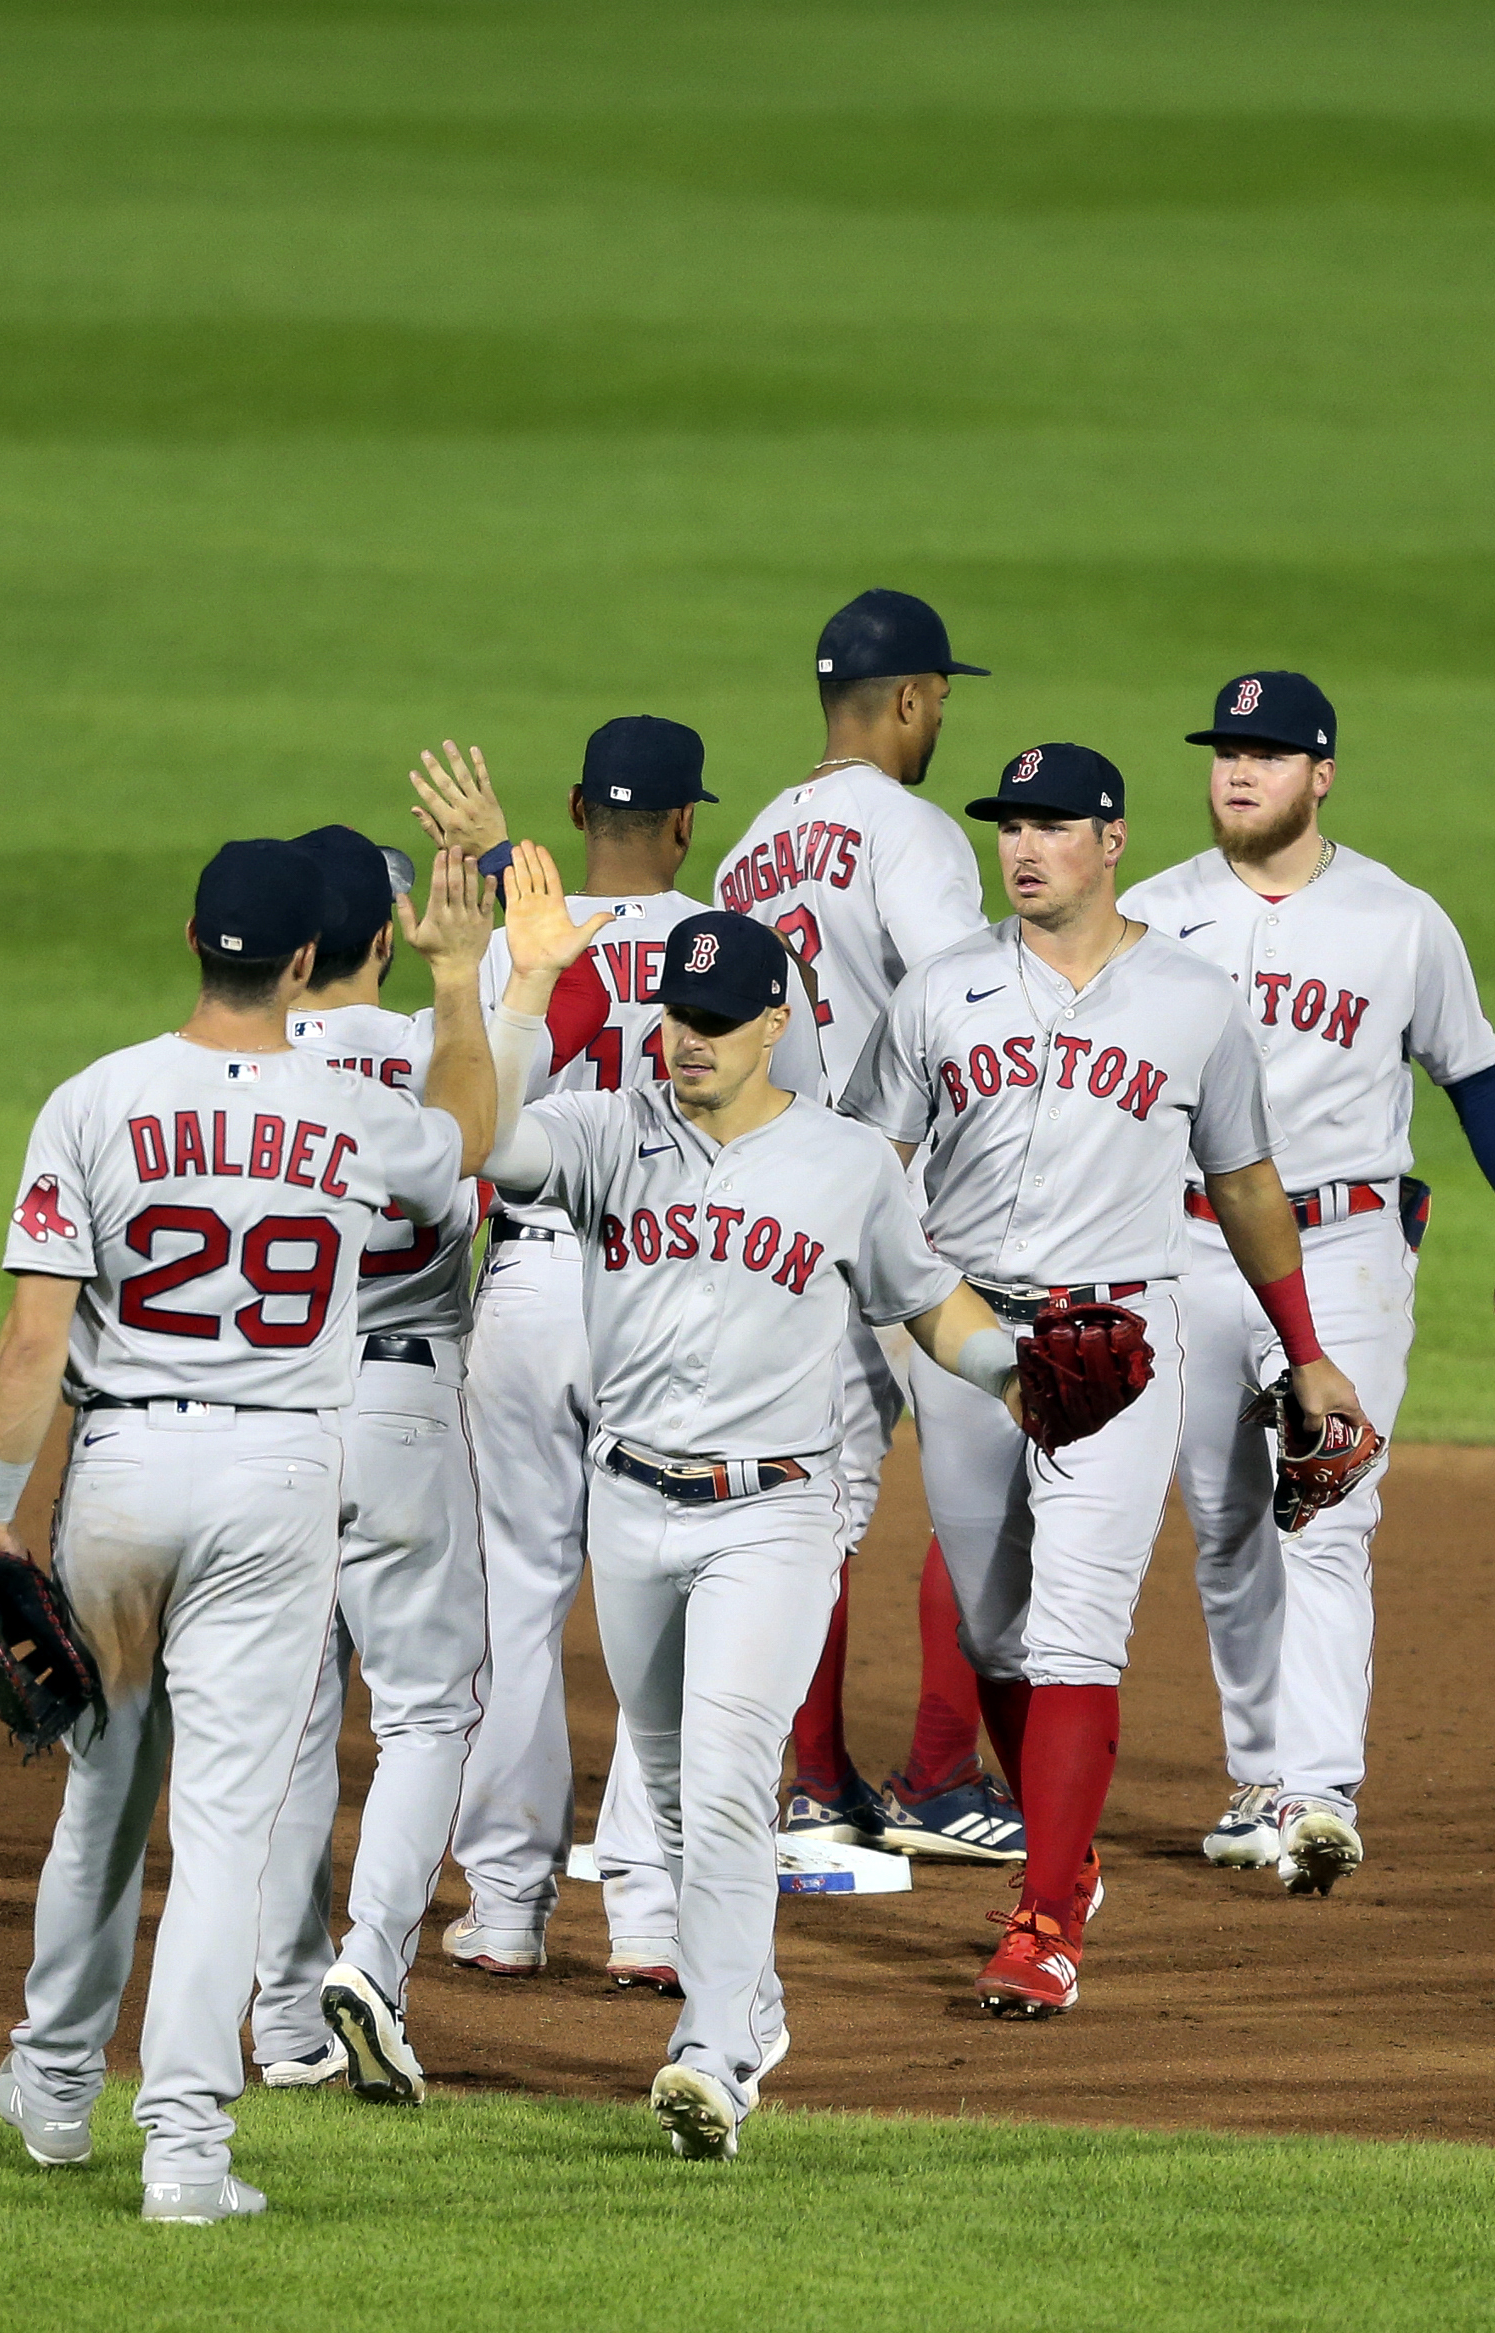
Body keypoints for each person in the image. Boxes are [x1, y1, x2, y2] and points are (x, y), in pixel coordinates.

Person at [471, 845, 1045, 2158]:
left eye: (721, 1022)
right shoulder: (609, 1130)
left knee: (729, 1773)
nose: (690, 1041)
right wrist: (524, 992)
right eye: (678, 1014)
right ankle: (756, 2007)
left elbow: (926, 1299)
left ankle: (717, 2050)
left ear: (775, 1024)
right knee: (671, 1785)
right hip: (631, 1504)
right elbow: (491, 1144)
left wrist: (1010, 1369)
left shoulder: (845, 1163)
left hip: (771, 1514)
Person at [0, 837, 495, 2225]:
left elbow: (33, 1338)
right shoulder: (350, 1106)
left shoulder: (95, 1097)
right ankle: (188, 2154)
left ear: (194, 937)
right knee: (223, 1828)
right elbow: (467, 1152)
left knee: (105, 1786)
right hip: (277, 1481)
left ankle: (55, 2083)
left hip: (123, 1474)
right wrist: (454, 989)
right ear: (311, 964)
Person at [844, 742, 1372, 2017]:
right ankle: (1065, 1857)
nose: (1022, 848)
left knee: (1077, 1626)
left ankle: (1041, 1919)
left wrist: (1303, 1349)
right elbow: (864, 1167)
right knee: (989, 1630)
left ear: (1112, 838)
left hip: (1121, 1342)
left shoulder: (1189, 998)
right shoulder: (940, 990)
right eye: (1007, 827)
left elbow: (1243, 1183)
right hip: (966, 1344)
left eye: (1050, 826)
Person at [1120, 673, 1495, 1893]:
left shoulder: (1398, 920)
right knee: (1222, 1528)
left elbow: (1476, 1079)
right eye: (1224, 748)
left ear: (1319, 774)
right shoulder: (1150, 914)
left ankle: (1319, 1789)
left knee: (1326, 1505)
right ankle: (1259, 1776)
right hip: (1185, 1244)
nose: (1236, 770)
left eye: (1266, 753)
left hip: (1342, 1246)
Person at [406, 722, 735, 1994]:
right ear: (684, 821)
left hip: (534, 1285)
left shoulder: (501, 941)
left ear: (572, 808)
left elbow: (472, 1121)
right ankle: (647, 1921)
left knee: (515, 1603)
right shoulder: (735, 946)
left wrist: (498, 871)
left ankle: (503, 1904)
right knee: (660, 1605)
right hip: (677, 1287)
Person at [713, 588, 1017, 1865]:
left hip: (783, 1207)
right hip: (917, 1202)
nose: (941, 711)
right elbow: (964, 998)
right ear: (904, 699)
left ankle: (815, 1781)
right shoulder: (912, 829)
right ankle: (943, 1775)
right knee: (984, 1483)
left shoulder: (745, 850)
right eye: (940, 692)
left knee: (814, 1496)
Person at [244, 824, 489, 2106]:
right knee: (428, 1710)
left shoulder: (225, 1080)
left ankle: (283, 2021)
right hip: (401, 1405)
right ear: (386, 940)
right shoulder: (436, 1061)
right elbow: (497, 1145)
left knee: (287, 1727)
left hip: (268, 1418)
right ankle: (373, 1970)